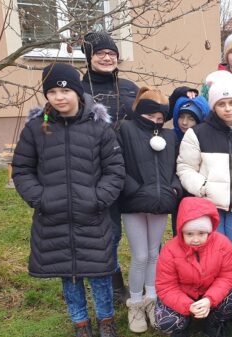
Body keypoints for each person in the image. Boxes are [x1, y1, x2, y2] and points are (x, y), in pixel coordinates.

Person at [13, 63, 125, 337]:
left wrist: (98, 199)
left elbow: (115, 171)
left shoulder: (99, 128)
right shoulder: (36, 129)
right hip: (54, 217)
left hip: (92, 216)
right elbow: (22, 169)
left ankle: (106, 323)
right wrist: (41, 199)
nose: (59, 97)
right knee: (69, 275)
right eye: (52, 92)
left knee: (100, 272)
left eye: (64, 91)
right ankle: (81, 326)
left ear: (77, 91)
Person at [177, 77, 232, 273]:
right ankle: (214, 286)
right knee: (213, 252)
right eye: (221, 104)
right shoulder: (197, 134)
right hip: (210, 205)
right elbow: (185, 167)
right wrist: (203, 187)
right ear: (213, 107)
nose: (227, 108)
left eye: (231, 103)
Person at [81, 31, 139, 303]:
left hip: (135, 169)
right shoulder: (79, 90)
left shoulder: (129, 87)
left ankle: (150, 284)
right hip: (100, 173)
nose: (107, 58)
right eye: (100, 53)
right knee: (110, 233)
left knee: (145, 234)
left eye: (112, 53)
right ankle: (114, 286)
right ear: (89, 57)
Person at [116, 87, 181, 333]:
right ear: (140, 111)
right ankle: (135, 304)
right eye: (150, 115)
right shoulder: (125, 130)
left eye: (160, 117)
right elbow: (117, 163)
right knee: (140, 255)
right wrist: (132, 189)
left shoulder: (169, 137)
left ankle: (152, 300)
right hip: (134, 203)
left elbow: (176, 167)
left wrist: (173, 189)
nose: (155, 120)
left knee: (155, 253)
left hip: (160, 203)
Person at [154, 197, 232, 337]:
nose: (195, 239)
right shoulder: (169, 250)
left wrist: (209, 299)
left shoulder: (224, 245)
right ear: (181, 231)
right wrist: (188, 305)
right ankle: (183, 323)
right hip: (183, 295)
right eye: (189, 234)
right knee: (165, 321)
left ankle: (213, 322)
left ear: (209, 231)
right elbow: (166, 286)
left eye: (201, 233)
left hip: (211, 293)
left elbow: (227, 277)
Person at [169, 92, 210, 235]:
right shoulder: (171, 138)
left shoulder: (205, 139)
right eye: (181, 117)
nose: (184, 122)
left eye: (191, 118)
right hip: (177, 196)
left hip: (199, 194)